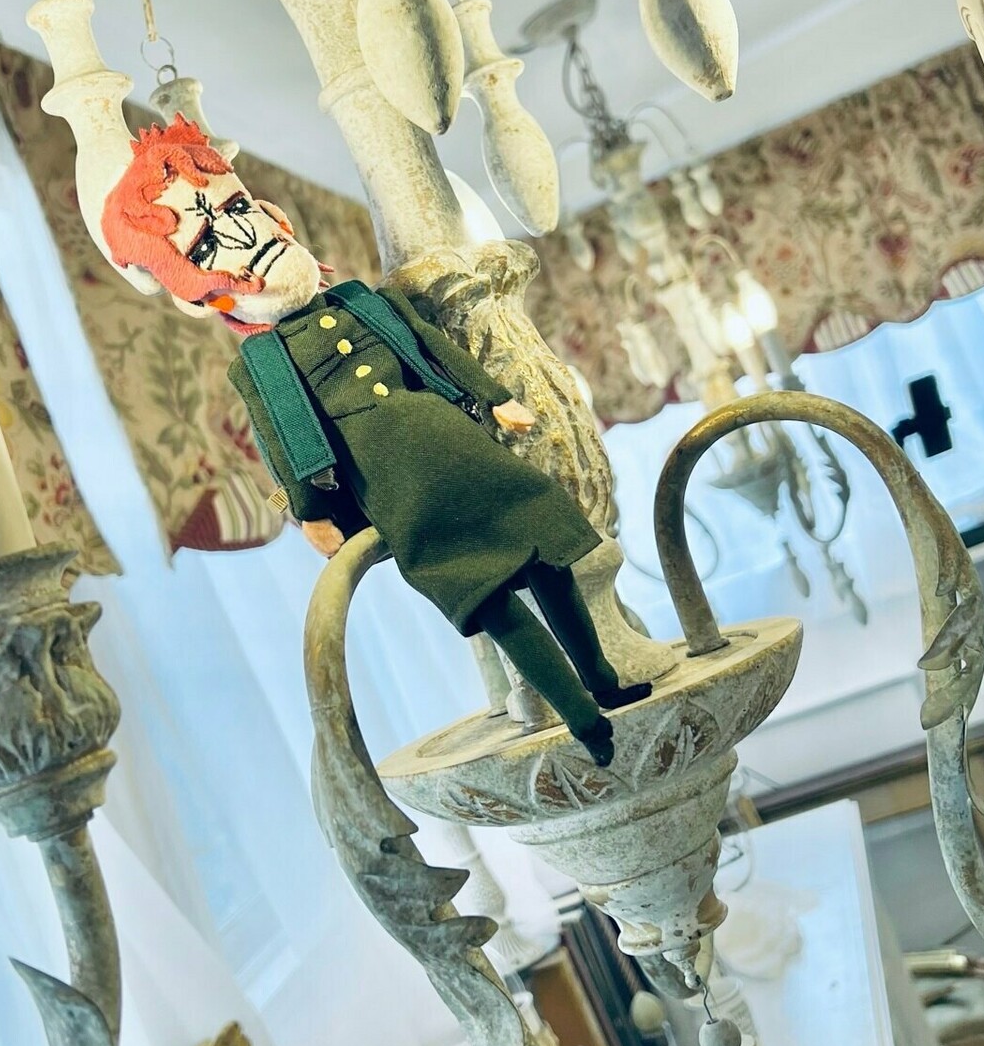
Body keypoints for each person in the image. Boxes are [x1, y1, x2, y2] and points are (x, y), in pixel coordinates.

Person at [101, 117, 650, 764]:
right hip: (402, 493)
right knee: (491, 599)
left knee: (548, 556)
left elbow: (433, 349)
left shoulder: (363, 301)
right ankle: (583, 719)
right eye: (209, 240)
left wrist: (494, 398)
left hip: (465, 448)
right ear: (198, 295)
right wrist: (311, 512)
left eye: (239, 210)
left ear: (270, 212)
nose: (244, 235)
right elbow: (284, 445)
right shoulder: (263, 366)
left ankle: (602, 679)